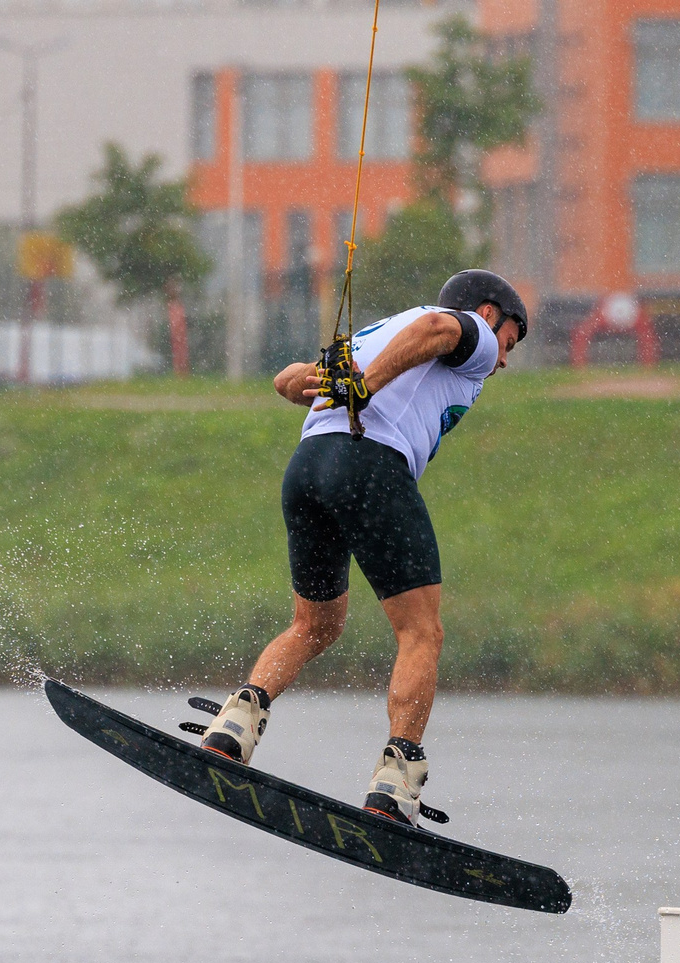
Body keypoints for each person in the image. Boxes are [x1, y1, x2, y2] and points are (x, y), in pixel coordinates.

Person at [192, 268, 527, 827]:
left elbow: (285, 380)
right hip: (370, 467)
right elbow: (444, 330)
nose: (504, 359)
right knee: (421, 632)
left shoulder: (375, 331)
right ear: (491, 314)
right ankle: (395, 787)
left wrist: (328, 379)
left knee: (315, 625)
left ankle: (233, 728)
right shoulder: (471, 328)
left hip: (307, 471)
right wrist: (366, 385)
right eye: (510, 342)